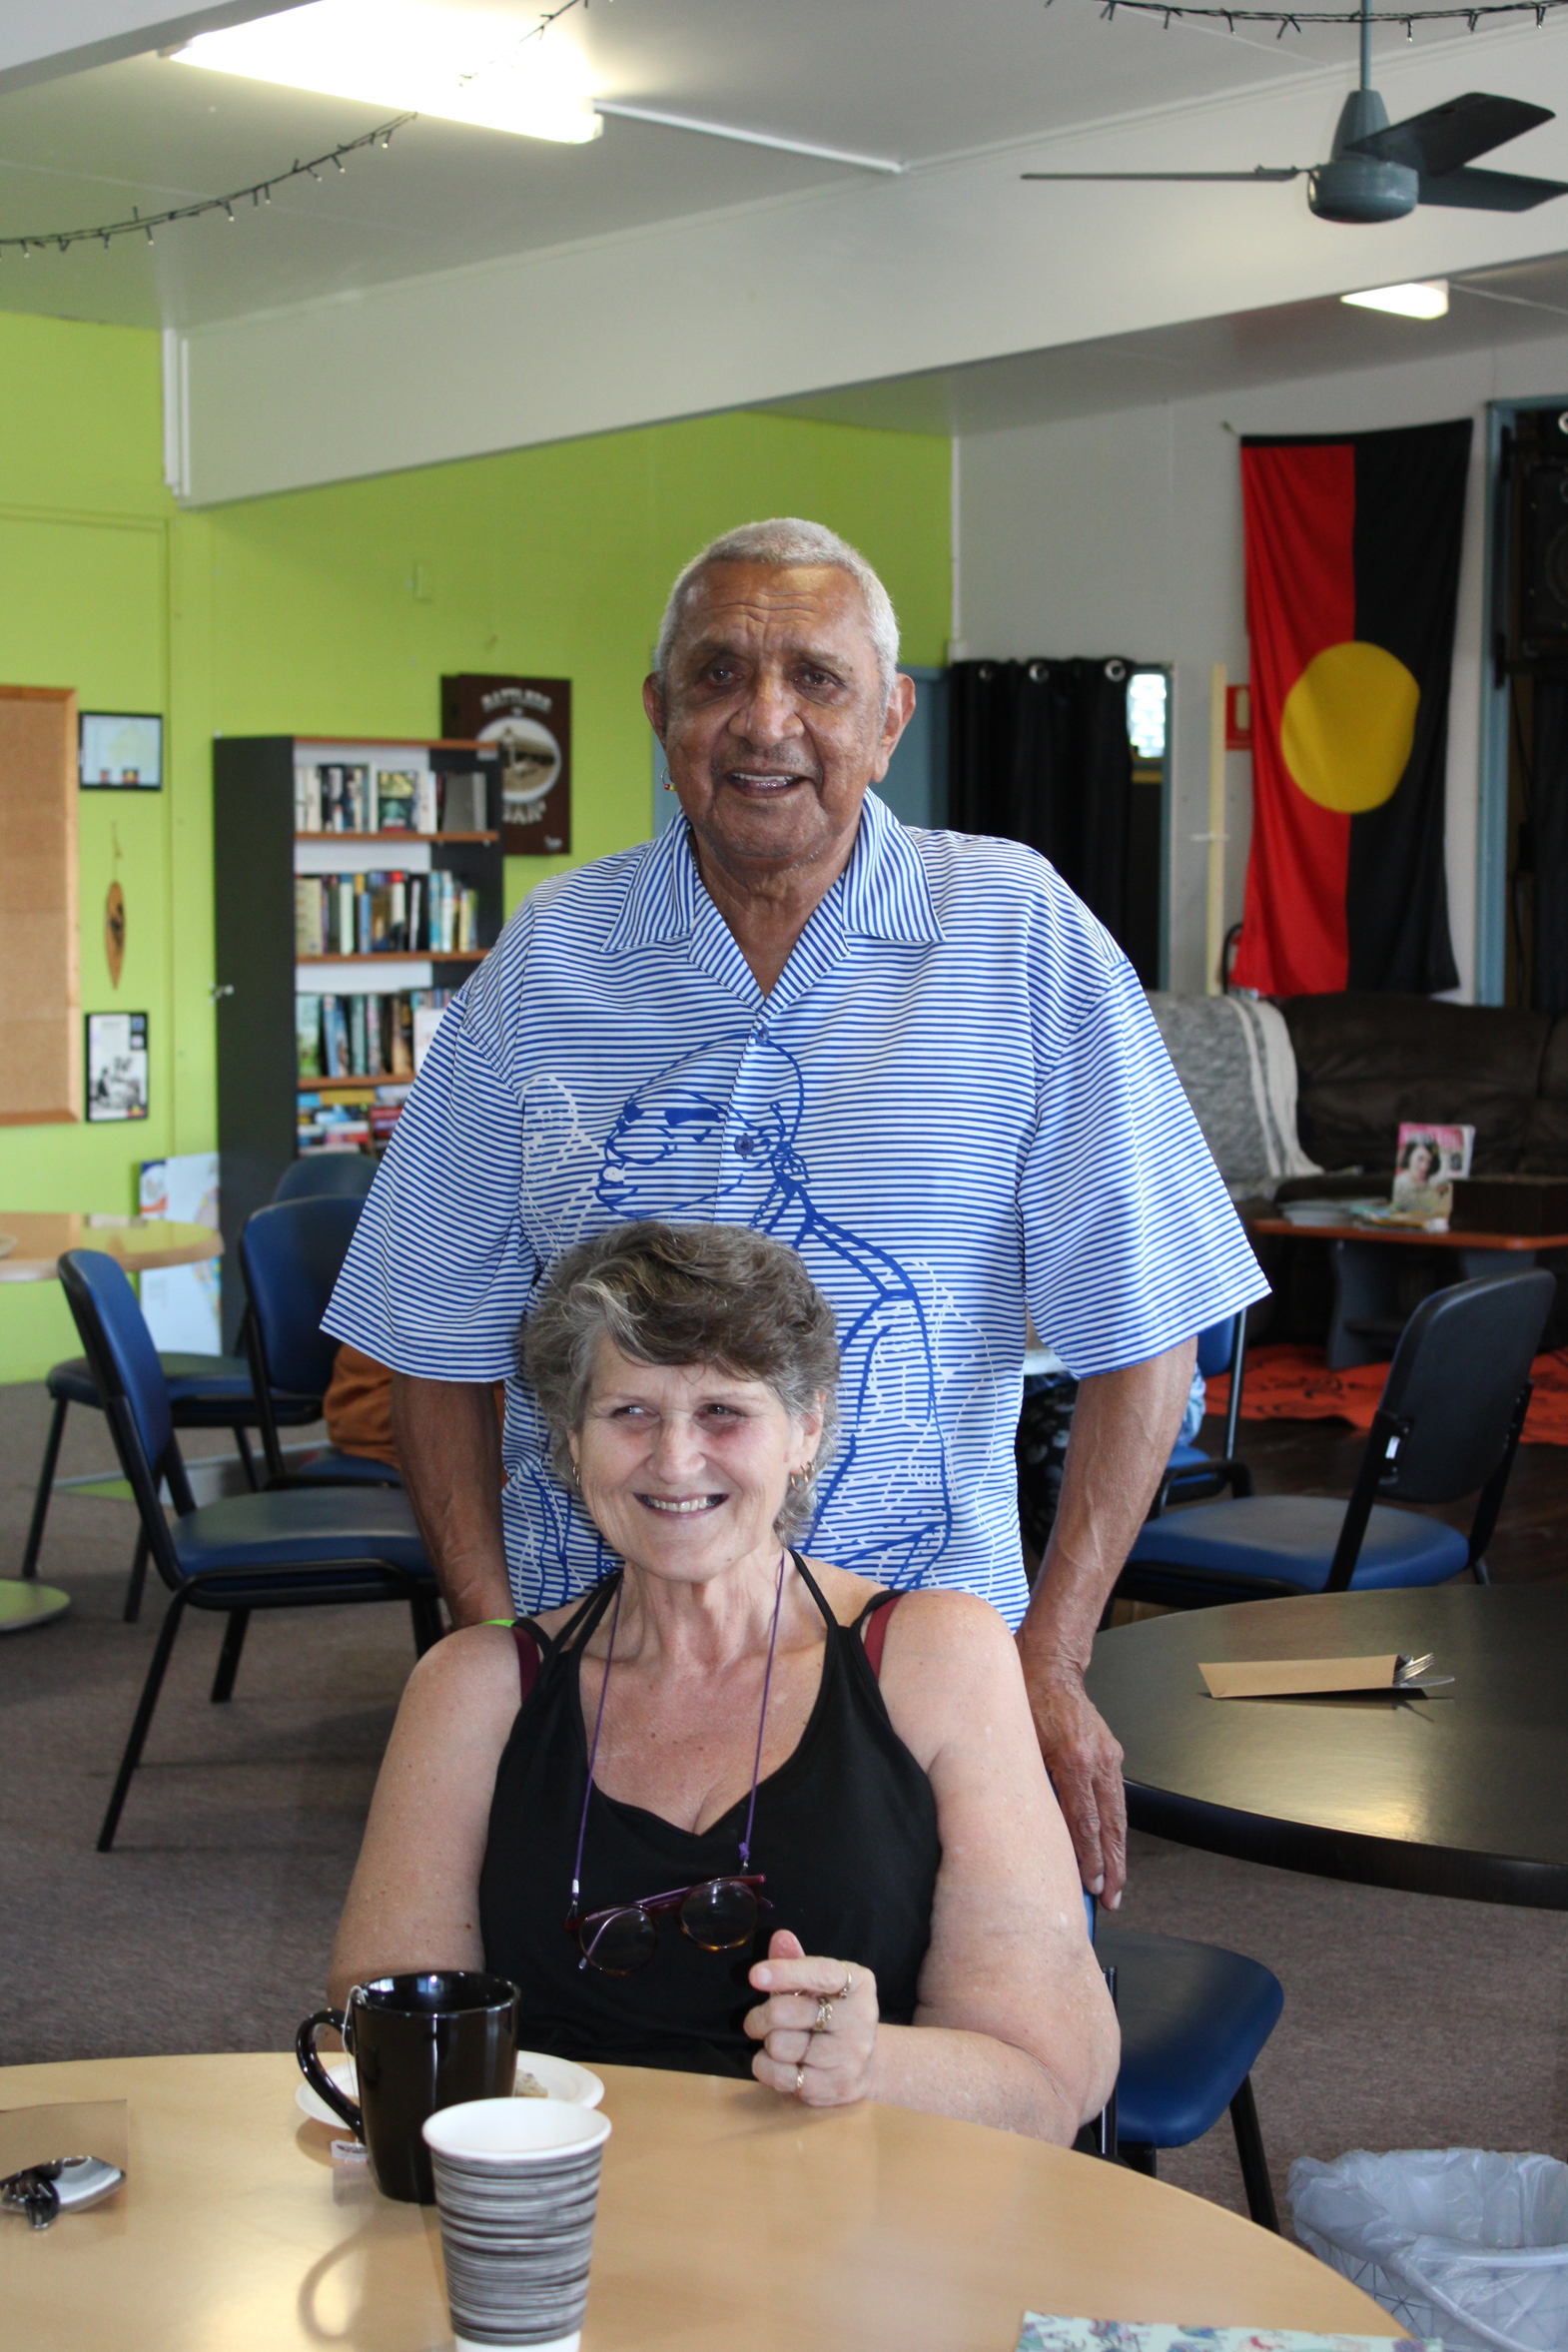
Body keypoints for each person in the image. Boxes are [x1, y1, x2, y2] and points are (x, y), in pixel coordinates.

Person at [325, 515, 1267, 1909]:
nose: (764, 719)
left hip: (912, 1669)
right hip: (598, 1663)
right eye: (718, 675)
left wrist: (1049, 1661)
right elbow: (433, 1333)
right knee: (582, 2051)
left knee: (924, 2063)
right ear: (659, 712)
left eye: (817, 680)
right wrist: (494, 1648)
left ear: (888, 719)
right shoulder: (549, 959)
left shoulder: (1018, 933)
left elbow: (1147, 1329)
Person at [330, 1222, 1119, 2143]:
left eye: (722, 1413)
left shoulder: (934, 1660)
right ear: (571, 1442)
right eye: (629, 1413)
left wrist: (871, 2062)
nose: (673, 1460)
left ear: (806, 1430)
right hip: (562, 2208)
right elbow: (380, 2030)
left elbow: (1051, 2082)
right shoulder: (475, 1688)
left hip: (858, 2220)